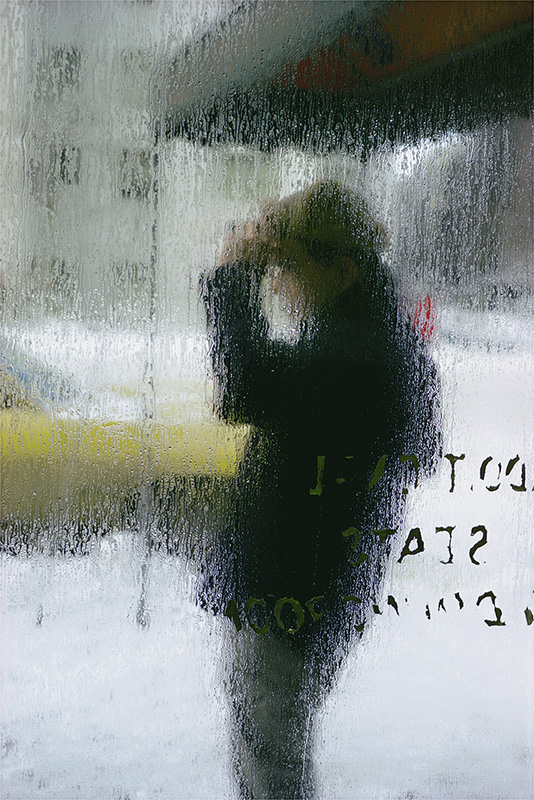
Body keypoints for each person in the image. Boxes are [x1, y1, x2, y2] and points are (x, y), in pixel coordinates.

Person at [200, 180, 440, 799]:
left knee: (272, 762)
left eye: (289, 268)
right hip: (312, 580)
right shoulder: (368, 329)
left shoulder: (363, 348)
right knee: (270, 743)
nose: (278, 285)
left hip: (295, 587)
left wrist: (232, 276)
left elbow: (248, 384)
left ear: (340, 263)